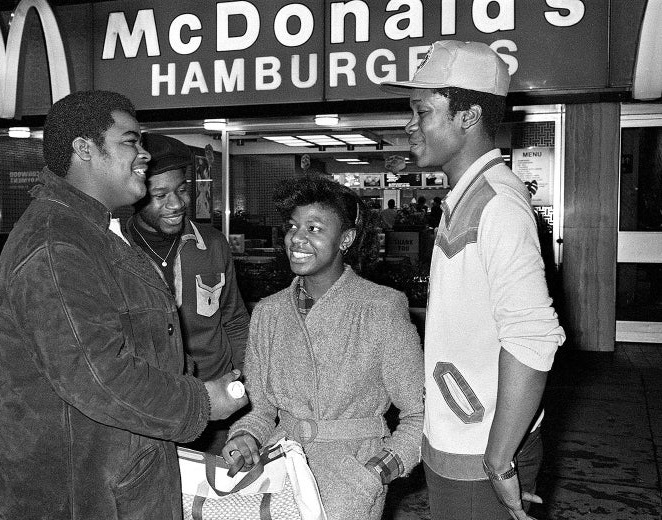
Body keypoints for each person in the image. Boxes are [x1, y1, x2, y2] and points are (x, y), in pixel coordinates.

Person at [0, 90, 248, 519]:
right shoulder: (57, 244)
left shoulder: (89, 231)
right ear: (84, 149)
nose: (144, 153)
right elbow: (97, 375)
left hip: (113, 477)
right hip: (78, 494)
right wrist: (199, 401)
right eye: (130, 141)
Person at [382, 41, 566, 520]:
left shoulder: (498, 205)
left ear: (468, 117)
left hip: (480, 454)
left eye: (422, 111)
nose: (409, 125)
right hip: (456, 441)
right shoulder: (466, 199)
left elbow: (531, 337)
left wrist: (499, 461)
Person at [222, 175, 424, 520]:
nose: (296, 238)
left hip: (352, 481)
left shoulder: (380, 307)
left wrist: (375, 474)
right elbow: (258, 410)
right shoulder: (269, 312)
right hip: (280, 471)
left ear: (346, 238)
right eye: (292, 226)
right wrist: (244, 438)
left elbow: (420, 416)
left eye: (314, 228)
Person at [125, 133, 250, 453]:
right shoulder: (115, 251)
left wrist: (247, 393)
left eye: (181, 190)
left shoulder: (213, 245)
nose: (177, 203)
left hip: (219, 413)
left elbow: (234, 321)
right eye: (160, 194)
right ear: (137, 194)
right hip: (149, 412)